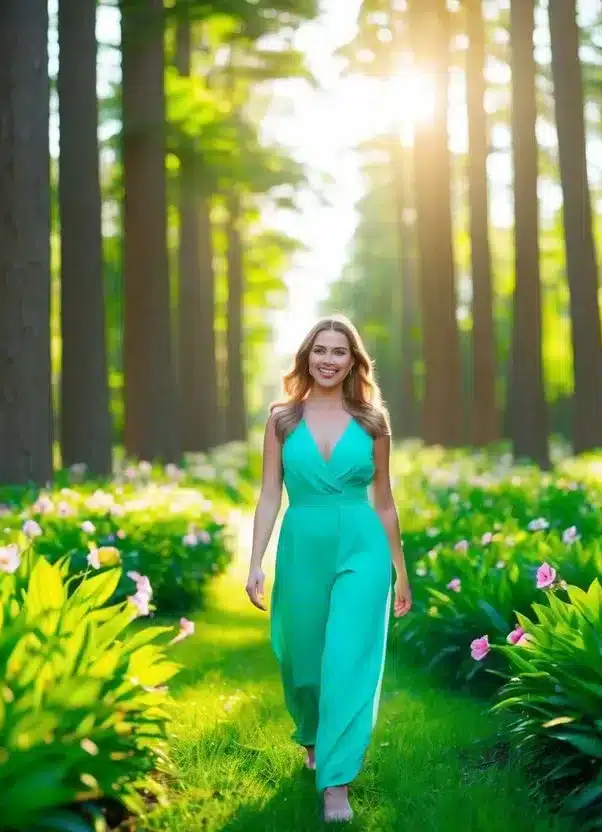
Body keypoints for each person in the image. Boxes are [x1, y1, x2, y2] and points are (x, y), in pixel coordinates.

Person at [245, 314, 413, 824]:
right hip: (302, 546)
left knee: (347, 659)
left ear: (353, 361)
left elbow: (385, 502)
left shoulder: (372, 421)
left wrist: (400, 571)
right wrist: (255, 561)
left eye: (339, 351)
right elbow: (269, 493)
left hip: (362, 548)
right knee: (301, 659)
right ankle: (314, 736)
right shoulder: (282, 420)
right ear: (307, 356)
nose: (328, 359)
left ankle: (336, 782)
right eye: (320, 349)